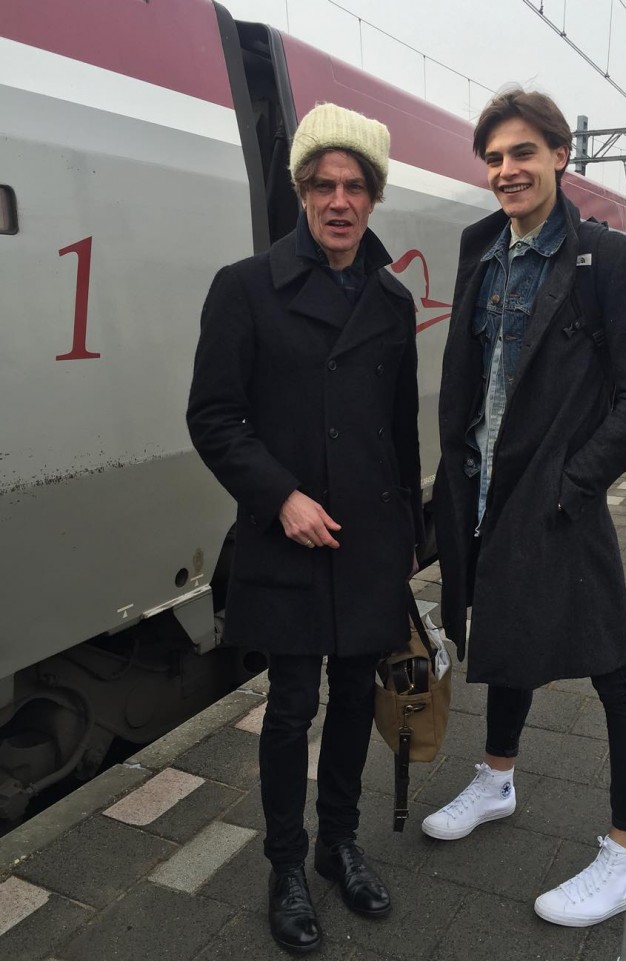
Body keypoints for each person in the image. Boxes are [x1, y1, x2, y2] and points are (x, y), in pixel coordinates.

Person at [427, 88, 626, 928]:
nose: (506, 170)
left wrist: (574, 483)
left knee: (614, 664)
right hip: (485, 487)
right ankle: (497, 777)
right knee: (504, 629)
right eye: (493, 157)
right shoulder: (479, 249)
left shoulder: (609, 261)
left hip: (557, 495)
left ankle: (625, 856)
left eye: (523, 152)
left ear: (561, 156)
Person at [187, 102, 423, 954]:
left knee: (357, 697)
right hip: (288, 536)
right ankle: (286, 864)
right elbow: (214, 417)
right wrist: (279, 495)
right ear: (299, 190)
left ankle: (340, 843)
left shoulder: (393, 302)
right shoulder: (243, 287)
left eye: (355, 185)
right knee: (290, 708)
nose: (339, 199)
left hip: (365, 542)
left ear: (373, 197)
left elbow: (402, 436)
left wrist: (407, 538)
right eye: (322, 183)